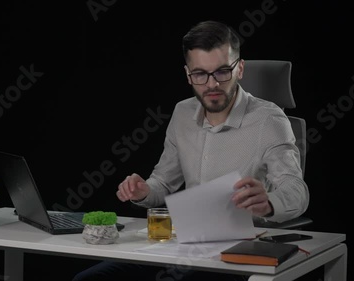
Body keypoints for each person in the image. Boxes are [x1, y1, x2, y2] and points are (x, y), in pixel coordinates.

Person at [72, 20, 309, 281]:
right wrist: (144, 191)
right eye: (200, 74)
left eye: (222, 72)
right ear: (188, 75)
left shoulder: (269, 120)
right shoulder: (182, 113)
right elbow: (163, 182)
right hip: (184, 244)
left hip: (238, 252)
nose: (212, 85)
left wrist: (270, 203)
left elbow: (296, 190)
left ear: (240, 69)